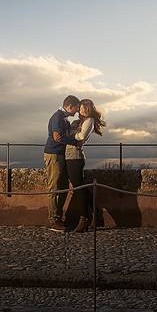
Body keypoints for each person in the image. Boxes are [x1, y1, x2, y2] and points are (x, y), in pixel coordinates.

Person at [65, 99, 106, 232]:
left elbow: (81, 136)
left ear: (88, 109)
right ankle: (96, 214)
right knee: (80, 187)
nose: (80, 110)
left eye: (83, 108)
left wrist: (69, 135)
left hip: (75, 157)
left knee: (79, 189)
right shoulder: (79, 121)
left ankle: (84, 219)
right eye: (80, 108)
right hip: (70, 156)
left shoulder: (89, 121)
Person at [44, 95, 80, 231]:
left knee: (63, 185)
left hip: (59, 154)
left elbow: (62, 136)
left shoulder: (63, 118)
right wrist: (75, 142)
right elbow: (57, 138)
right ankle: (53, 220)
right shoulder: (58, 117)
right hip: (53, 154)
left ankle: (58, 217)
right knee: (53, 187)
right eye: (76, 108)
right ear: (70, 106)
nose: (76, 111)